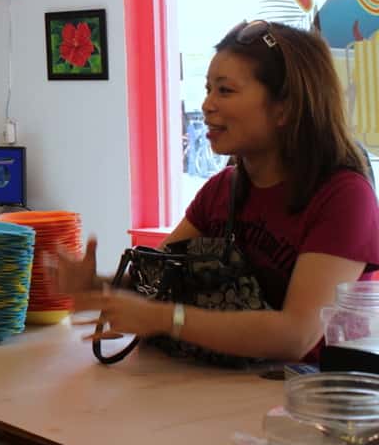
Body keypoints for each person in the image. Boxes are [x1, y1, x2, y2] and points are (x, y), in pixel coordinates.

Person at [61, 20, 379, 362]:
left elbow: (296, 335)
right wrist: (98, 286)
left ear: (284, 107)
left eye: (225, 91)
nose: (207, 104)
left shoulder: (344, 198)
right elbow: (158, 281)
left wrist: (165, 319)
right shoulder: (221, 190)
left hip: (311, 390)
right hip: (223, 386)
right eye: (208, 89)